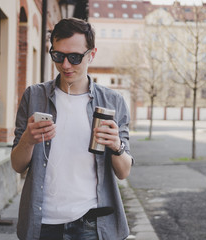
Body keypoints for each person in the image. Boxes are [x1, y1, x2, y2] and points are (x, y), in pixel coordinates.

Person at [11, 18, 133, 240]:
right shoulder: (34, 96)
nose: (65, 65)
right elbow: (18, 165)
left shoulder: (112, 101)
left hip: (90, 224)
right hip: (42, 223)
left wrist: (117, 146)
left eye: (75, 57)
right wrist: (28, 140)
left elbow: (123, 172)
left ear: (92, 54)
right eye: (58, 56)